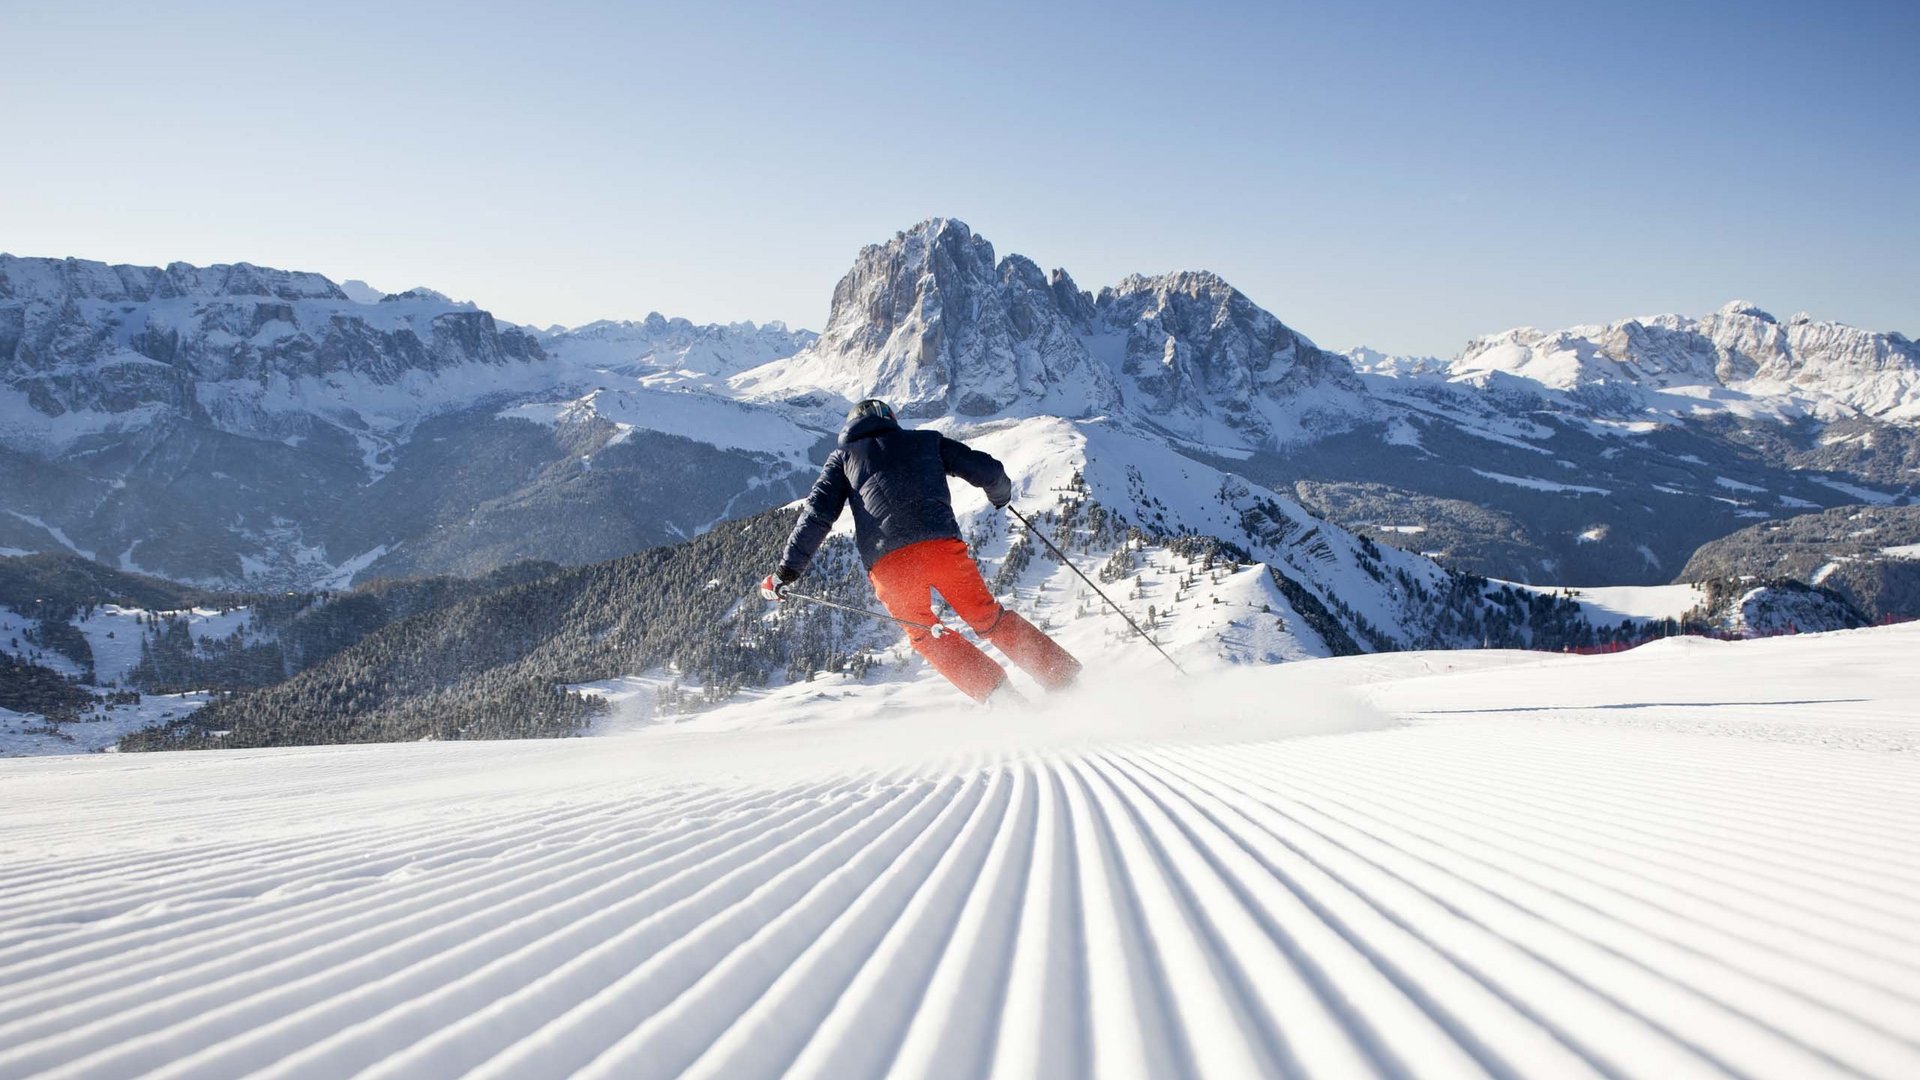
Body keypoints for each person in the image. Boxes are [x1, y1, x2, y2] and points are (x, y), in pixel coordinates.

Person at [761, 398, 1081, 703]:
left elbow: (817, 516)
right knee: (987, 617)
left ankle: (1001, 697)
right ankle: (1062, 680)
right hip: (941, 549)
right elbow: (990, 472)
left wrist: (786, 572)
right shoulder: (927, 441)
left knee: (926, 634)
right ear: (891, 420)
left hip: (889, 565)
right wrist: (1000, 496)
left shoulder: (843, 460)